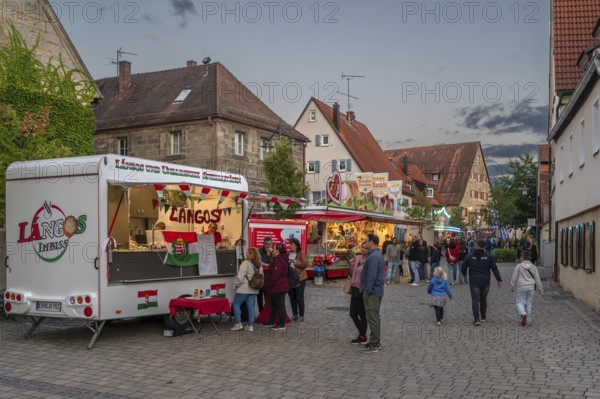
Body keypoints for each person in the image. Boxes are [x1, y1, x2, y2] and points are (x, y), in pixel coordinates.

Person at [461, 240, 503, 326]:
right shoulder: (488, 257)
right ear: (484, 247)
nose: (474, 246)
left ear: (477, 246)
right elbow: (494, 268)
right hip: (485, 281)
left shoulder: (470, 256)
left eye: (475, 245)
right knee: (483, 298)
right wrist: (499, 279)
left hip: (474, 281)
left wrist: (464, 273)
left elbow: (463, 266)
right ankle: (483, 316)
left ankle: (477, 319)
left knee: (475, 300)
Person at [360, 233, 385, 353]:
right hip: (375, 290)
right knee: (374, 316)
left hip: (373, 291)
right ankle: (375, 341)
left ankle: (375, 344)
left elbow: (372, 275)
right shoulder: (375, 254)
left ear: (371, 242)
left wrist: (367, 290)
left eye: (366, 241)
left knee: (372, 317)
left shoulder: (374, 256)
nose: (365, 243)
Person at [231, 248, 263, 332]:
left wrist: (235, 285)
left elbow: (240, 277)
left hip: (243, 289)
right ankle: (250, 325)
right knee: (251, 306)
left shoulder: (245, 263)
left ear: (251, 254)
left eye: (247, 253)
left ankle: (238, 323)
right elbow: (262, 277)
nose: (246, 255)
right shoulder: (259, 264)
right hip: (253, 289)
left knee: (236, 304)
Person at [510, 249, 543, 326]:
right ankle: (528, 320)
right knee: (528, 303)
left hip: (521, 287)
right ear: (530, 257)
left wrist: (512, 286)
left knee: (520, 302)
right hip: (531, 287)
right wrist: (540, 288)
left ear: (522, 257)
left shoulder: (519, 266)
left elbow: (514, 277)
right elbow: (537, 278)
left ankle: (523, 313)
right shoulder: (534, 267)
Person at [263, 243, 290, 331]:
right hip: (277, 286)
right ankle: (272, 321)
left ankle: (281, 325)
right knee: (273, 305)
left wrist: (269, 283)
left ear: (278, 251)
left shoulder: (279, 260)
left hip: (278, 286)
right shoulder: (278, 259)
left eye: (274, 248)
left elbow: (275, 274)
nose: (272, 250)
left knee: (280, 305)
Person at [349, 242, 368, 344]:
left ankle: (362, 336)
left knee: (362, 313)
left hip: (362, 289)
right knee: (352, 313)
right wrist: (352, 264)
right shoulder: (357, 258)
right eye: (362, 247)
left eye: (366, 248)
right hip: (354, 288)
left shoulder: (369, 260)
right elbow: (352, 272)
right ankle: (362, 334)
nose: (363, 249)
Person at [288, 238, 308, 322]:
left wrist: (295, 262)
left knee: (299, 297)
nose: (290, 245)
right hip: (291, 278)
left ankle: (301, 315)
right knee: (292, 297)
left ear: (296, 245)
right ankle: (295, 314)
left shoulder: (301, 253)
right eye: (290, 244)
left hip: (300, 278)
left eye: (292, 244)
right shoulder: (289, 253)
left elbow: (305, 264)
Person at [257, 237, 273, 312]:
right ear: (263, 244)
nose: (268, 246)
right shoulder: (259, 251)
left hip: (270, 277)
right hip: (260, 276)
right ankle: (261, 311)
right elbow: (258, 262)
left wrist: (269, 255)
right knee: (259, 295)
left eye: (270, 244)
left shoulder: (273, 251)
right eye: (267, 244)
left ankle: (268, 311)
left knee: (269, 295)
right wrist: (267, 264)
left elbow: (274, 263)